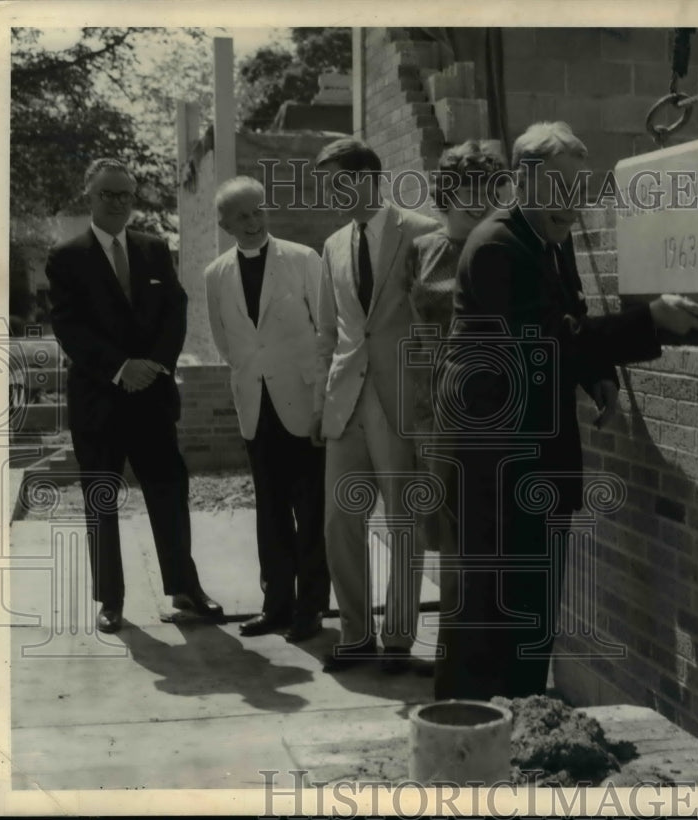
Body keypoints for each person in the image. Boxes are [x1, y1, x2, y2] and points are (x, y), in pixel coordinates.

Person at [433, 122, 698, 700]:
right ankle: (467, 739)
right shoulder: (496, 247)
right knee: (490, 611)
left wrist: (598, 376)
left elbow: (567, 319)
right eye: (560, 185)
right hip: (494, 464)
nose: (573, 203)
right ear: (524, 181)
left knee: (531, 606)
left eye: (579, 188)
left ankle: (521, 726)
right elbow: (547, 342)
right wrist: (649, 320)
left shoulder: (547, 240)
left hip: (531, 454)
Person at [46, 158, 223, 634]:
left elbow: (175, 309)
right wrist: (122, 367)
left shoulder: (154, 248)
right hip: (98, 402)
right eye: (108, 194)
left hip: (151, 400)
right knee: (102, 501)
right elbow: (69, 327)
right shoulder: (67, 256)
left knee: (169, 495)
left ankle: (186, 588)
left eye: (126, 194)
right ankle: (111, 599)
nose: (119, 202)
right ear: (89, 195)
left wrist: (154, 365)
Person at [312, 138, 441, 673]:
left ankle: (397, 640)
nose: (331, 194)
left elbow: (436, 323)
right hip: (347, 400)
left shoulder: (422, 232)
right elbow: (329, 331)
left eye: (338, 181)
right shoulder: (332, 245)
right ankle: (356, 632)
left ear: (369, 178)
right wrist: (323, 403)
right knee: (340, 520)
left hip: (401, 398)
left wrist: (431, 403)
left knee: (402, 520)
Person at [204, 176, 330, 643]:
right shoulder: (215, 274)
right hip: (256, 409)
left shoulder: (302, 259)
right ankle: (277, 605)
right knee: (270, 513)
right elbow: (226, 342)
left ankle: (312, 609)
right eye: (241, 216)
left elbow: (326, 333)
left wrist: (321, 402)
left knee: (312, 512)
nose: (253, 221)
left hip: (304, 406)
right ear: (225, 224)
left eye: (258, 210)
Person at [405, 140, 509, 558]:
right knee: (445, 535)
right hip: (434, 409)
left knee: (491, 540)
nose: (478, 201)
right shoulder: (421, 250)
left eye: (488, 189)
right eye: (467, 188)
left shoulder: (503, 248)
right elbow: (414, 329)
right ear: (447, 193)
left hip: (492, 408)